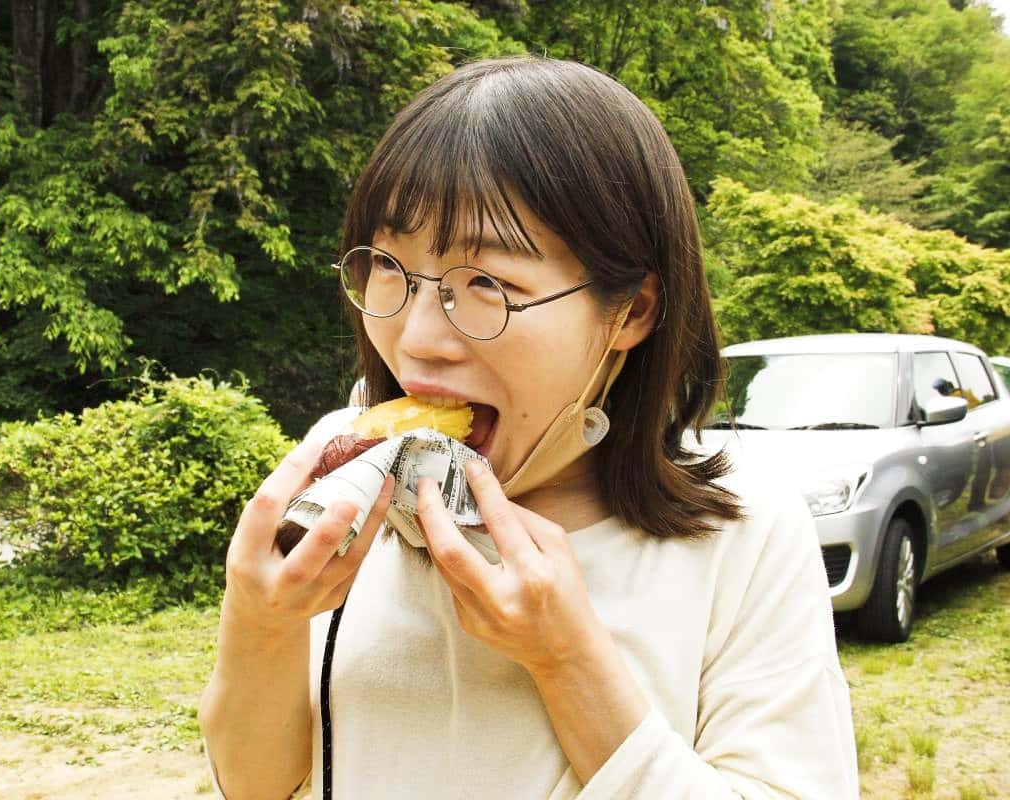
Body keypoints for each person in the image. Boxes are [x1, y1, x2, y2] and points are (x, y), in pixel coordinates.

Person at [198, 56, 858, 799]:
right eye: (389, 264)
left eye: (487, 283)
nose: (417, 337)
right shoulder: (346, 476)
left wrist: (565, 659)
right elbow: (258, 786)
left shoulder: (746, 533)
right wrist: (260, 626)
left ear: (630, 312)